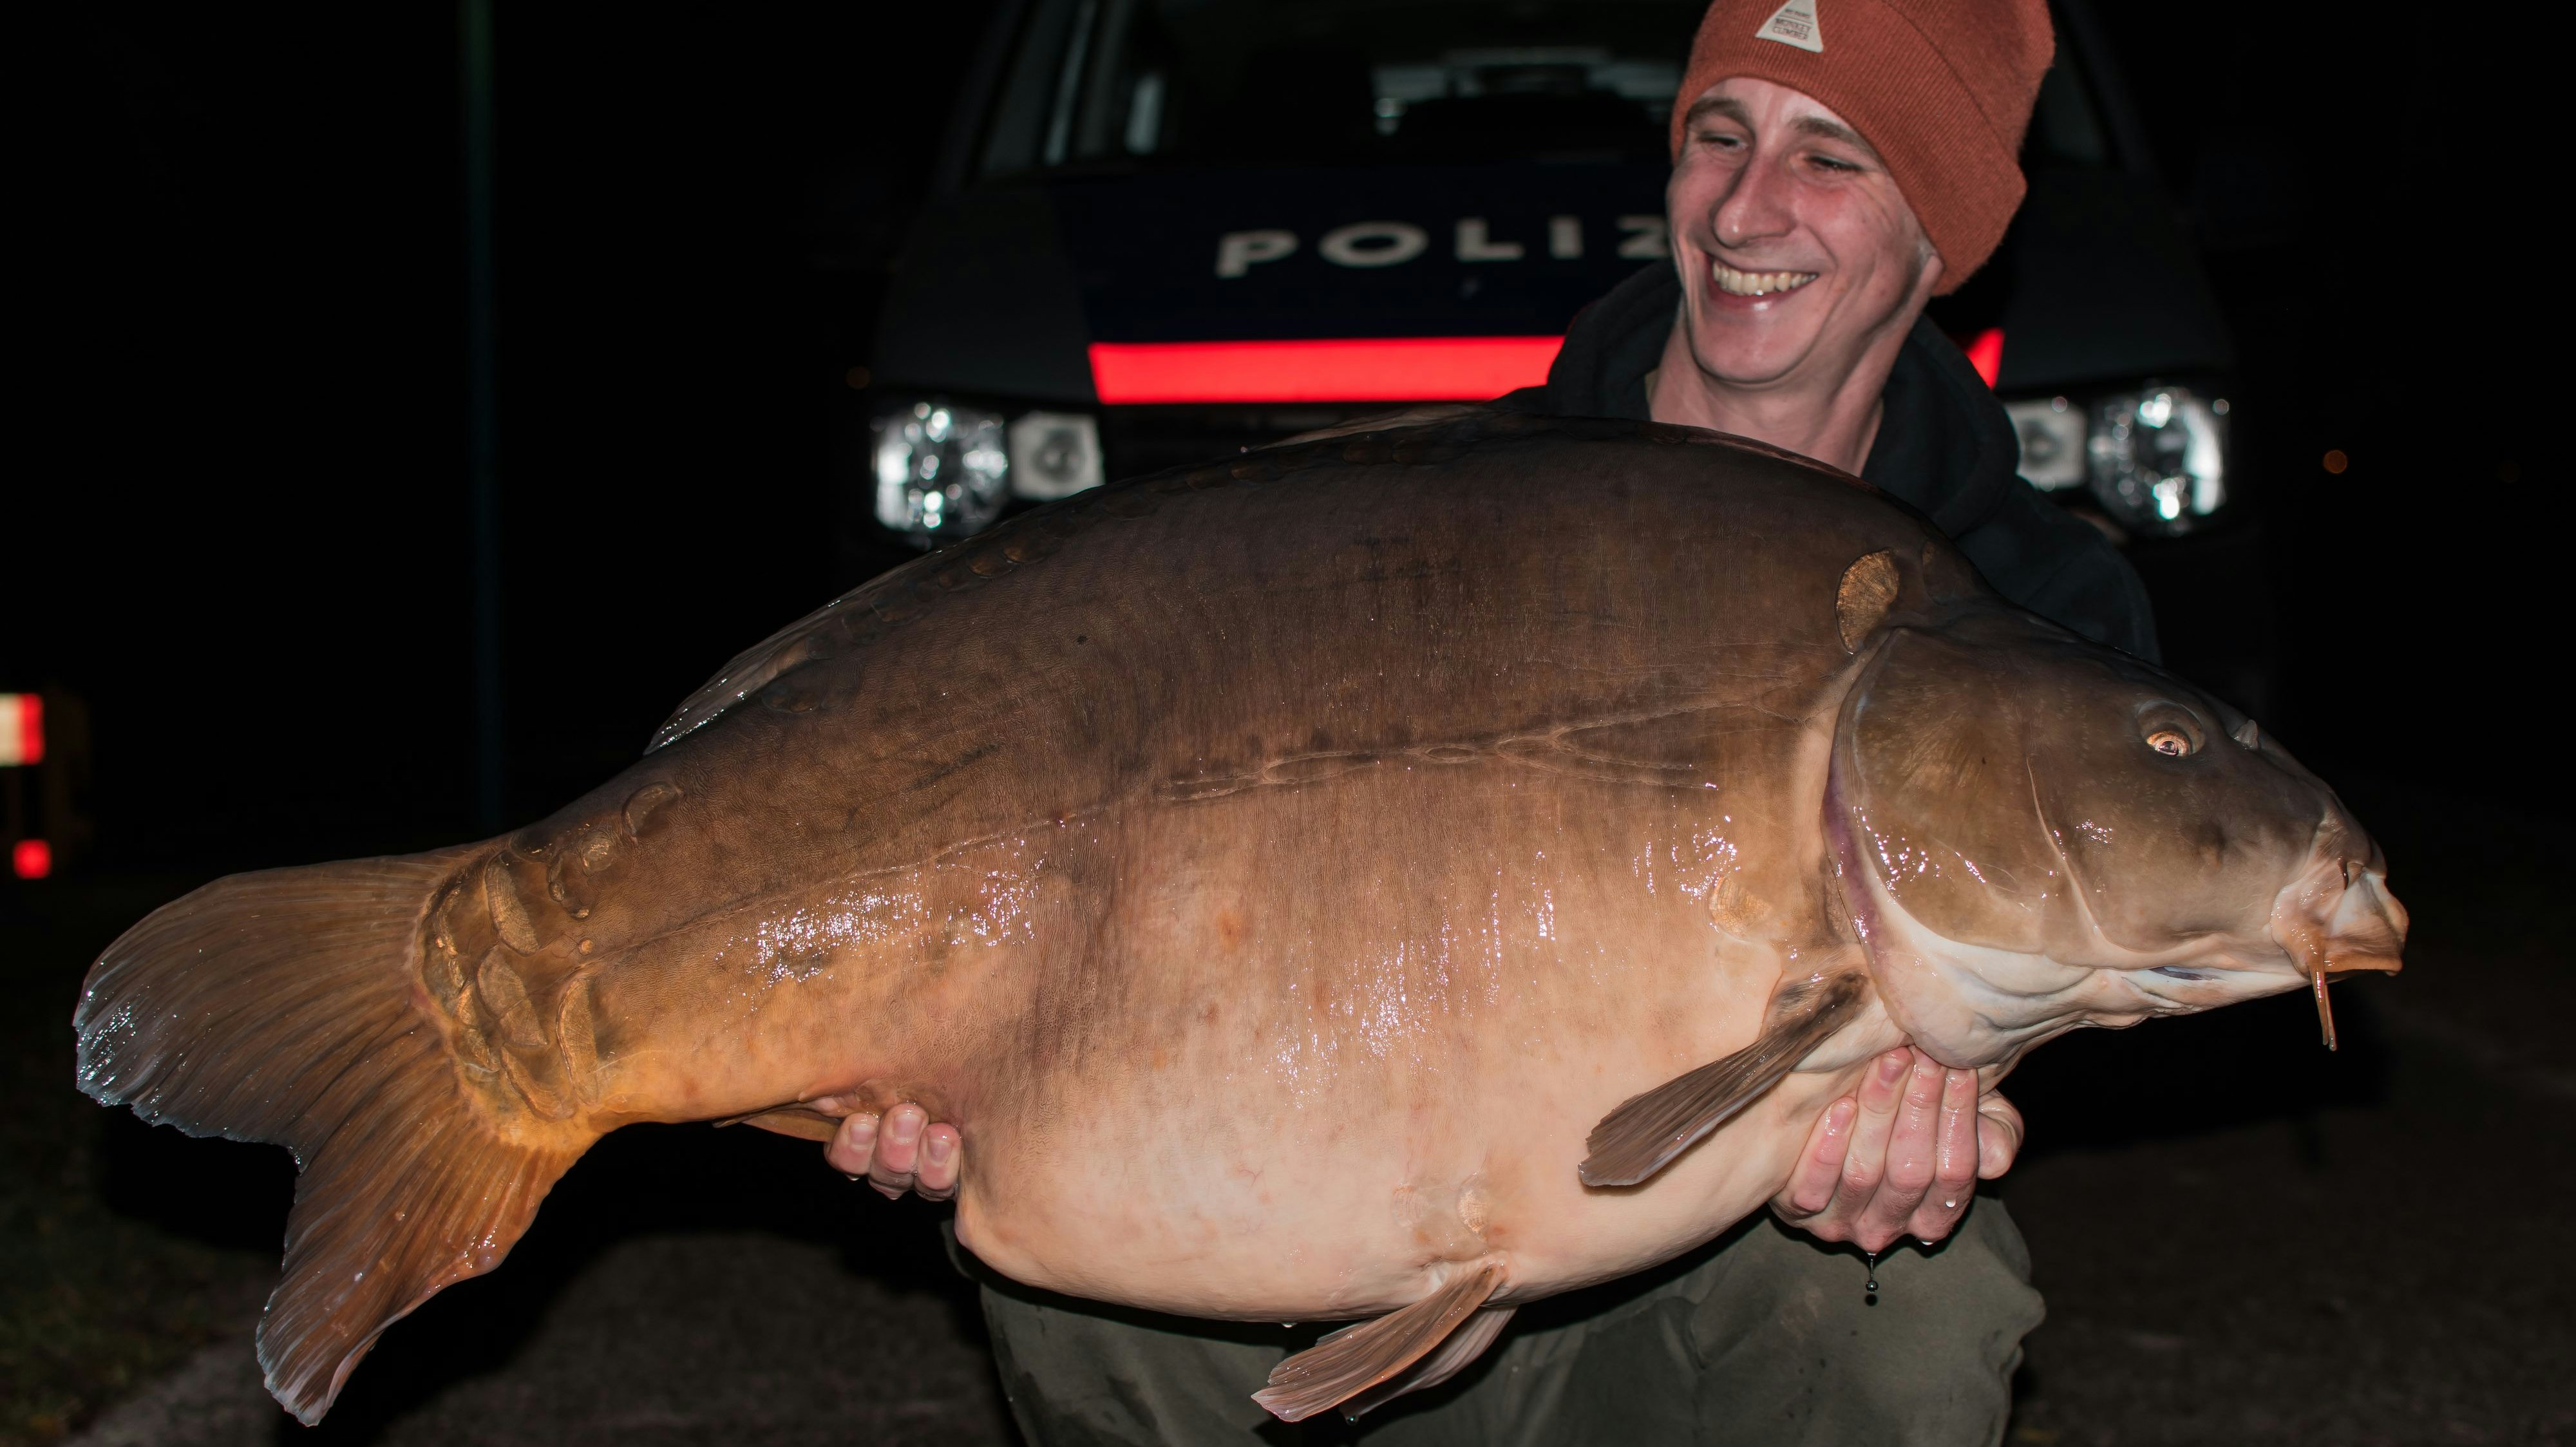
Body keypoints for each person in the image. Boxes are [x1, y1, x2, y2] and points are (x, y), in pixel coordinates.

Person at [828, 0, 2154, 1440]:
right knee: (1079, 1266)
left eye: (1827, 157)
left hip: (1705, 1277)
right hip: (1330, 1203)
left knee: (1915, 1294)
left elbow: (2045, 986)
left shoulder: (2032, 613)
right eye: (1718, 135)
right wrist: (965, 1054)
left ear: (1938, 229)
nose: (1744, 204)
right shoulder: (1458, 519)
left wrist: (1947, 1116)